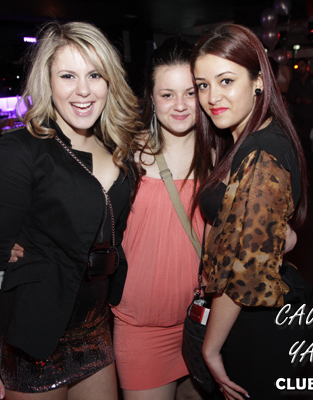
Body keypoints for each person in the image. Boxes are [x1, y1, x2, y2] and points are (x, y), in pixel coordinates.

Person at [0, 21, 141, 400]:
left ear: (110, 80)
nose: (83, 90)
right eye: (67, 76)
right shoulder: (19, 152)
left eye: (94, 75)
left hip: (95, 326)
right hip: (34, 334)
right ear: (47, 81)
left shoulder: (118, 149)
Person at [191, 24, 308, 399]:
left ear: (259, 81)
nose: (212, 97)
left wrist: (210, 349)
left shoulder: (260, 152)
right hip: (260, 318)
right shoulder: (253, 138)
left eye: (226, 81)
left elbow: (244, 269)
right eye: (203, 85)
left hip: (255, 327)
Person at [111, 37, 206, 400]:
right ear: (151, 97)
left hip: (206, 322)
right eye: (167, 94)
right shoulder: (125, 154)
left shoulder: (221, 156)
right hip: (142, 330)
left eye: (191, 92)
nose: (180, 105)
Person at [286, 57, 313, 168]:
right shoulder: (294, 81)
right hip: (297, 113)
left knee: (305, 136)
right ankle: (300, 161)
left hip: (310, 113)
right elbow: (289, 96)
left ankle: (309, 162)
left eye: (302, 66)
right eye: (298, 66)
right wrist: (296, 100)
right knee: (297, 137)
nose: (300, 68)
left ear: (307, 66)